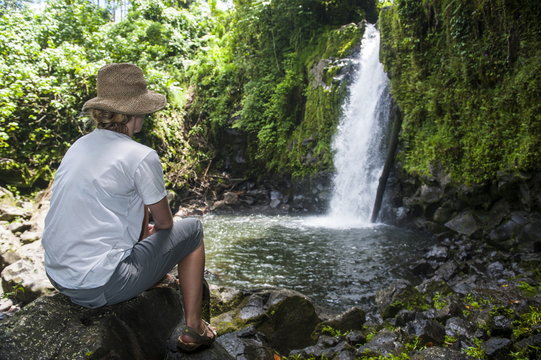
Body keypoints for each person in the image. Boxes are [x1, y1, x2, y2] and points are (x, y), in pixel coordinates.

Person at [42, 63, 215, 352]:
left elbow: (108, 211)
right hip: (98, 284)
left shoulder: (79, 146)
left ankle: (153, 275)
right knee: (193, 231)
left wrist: (143, 237)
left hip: (59, 276)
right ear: (136, 113)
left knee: (143, 229)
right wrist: (151, 235)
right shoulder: (140, 156)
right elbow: (165, 223)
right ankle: (194, 328)